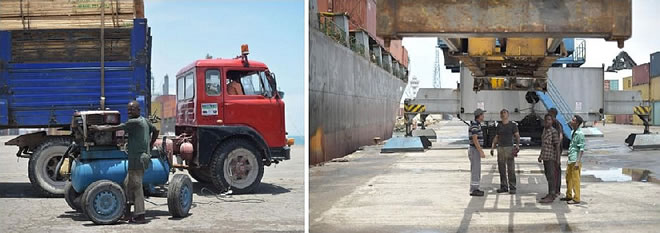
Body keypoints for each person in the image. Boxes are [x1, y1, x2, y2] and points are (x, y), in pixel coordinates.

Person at [90, 101, 159, 223]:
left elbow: (115, 128)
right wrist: (150, 144)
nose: (129, 112)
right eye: (128, 110)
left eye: (132, 109)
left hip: (138, 159)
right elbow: (156, 131)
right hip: (140, 158)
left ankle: (140, 215)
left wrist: (98, 128)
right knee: (127, 183)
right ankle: (127, 212)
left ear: (138, 110)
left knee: (136, 186)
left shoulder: (134, 122)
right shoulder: (145, 121)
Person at [490, 109, 520, 194]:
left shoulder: (513, 125)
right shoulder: (499, 126)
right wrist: (493, 147)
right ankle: (504, 186)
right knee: (501, 168)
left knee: (511, 169)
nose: (503, 115)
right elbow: (496, 137)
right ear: (500, 116)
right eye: (501, 113)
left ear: (508, 115)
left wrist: (517, 145)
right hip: (500, 148)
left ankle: (512, 187)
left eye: (504, 113)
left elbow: (517, 136)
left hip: (509, 148)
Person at [561, 115, 585, 204]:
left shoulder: (580, 134)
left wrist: (577, 162)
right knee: (568, 178)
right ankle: (569, 195)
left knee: (575, 180)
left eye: (573, 120)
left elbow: (581, 149)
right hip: (571, 159)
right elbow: (572, 146)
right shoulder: (572, 132)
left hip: (575, 161)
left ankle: (577, 198)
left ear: (577, 123)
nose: (571, 121)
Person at [538, 114, 560, 203]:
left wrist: (557, 159)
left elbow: (557, 146)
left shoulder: (553, 131)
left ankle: (551, 195)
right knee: (548, 176)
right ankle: (550, 193)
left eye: (549, 120)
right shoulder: (545, 130)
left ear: (552, 121)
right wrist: (540, 156)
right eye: (546, 120)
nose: (547, 121)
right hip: (545, 157)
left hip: (551, 158)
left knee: (551, 177)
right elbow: (543, 145)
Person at [468, 108, 487, 197]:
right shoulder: (475, 125)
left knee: (476, 169)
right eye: (482, 115)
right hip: (474, 150)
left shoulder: (476, 124)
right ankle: (474, 189)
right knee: (475, 170)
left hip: (474, 150)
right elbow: (475, 138)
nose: (484, 116)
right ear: (479, 116)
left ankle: (475, 188)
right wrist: (480, 151)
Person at [548, 108, 563, 196]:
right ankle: (554, 189)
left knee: (556, 168)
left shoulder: (556, 123)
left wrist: (557, 144)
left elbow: (560, 135)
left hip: (556, 149)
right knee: (552, 169)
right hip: (552, 150)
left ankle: (556, 190)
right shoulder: (550, 124)